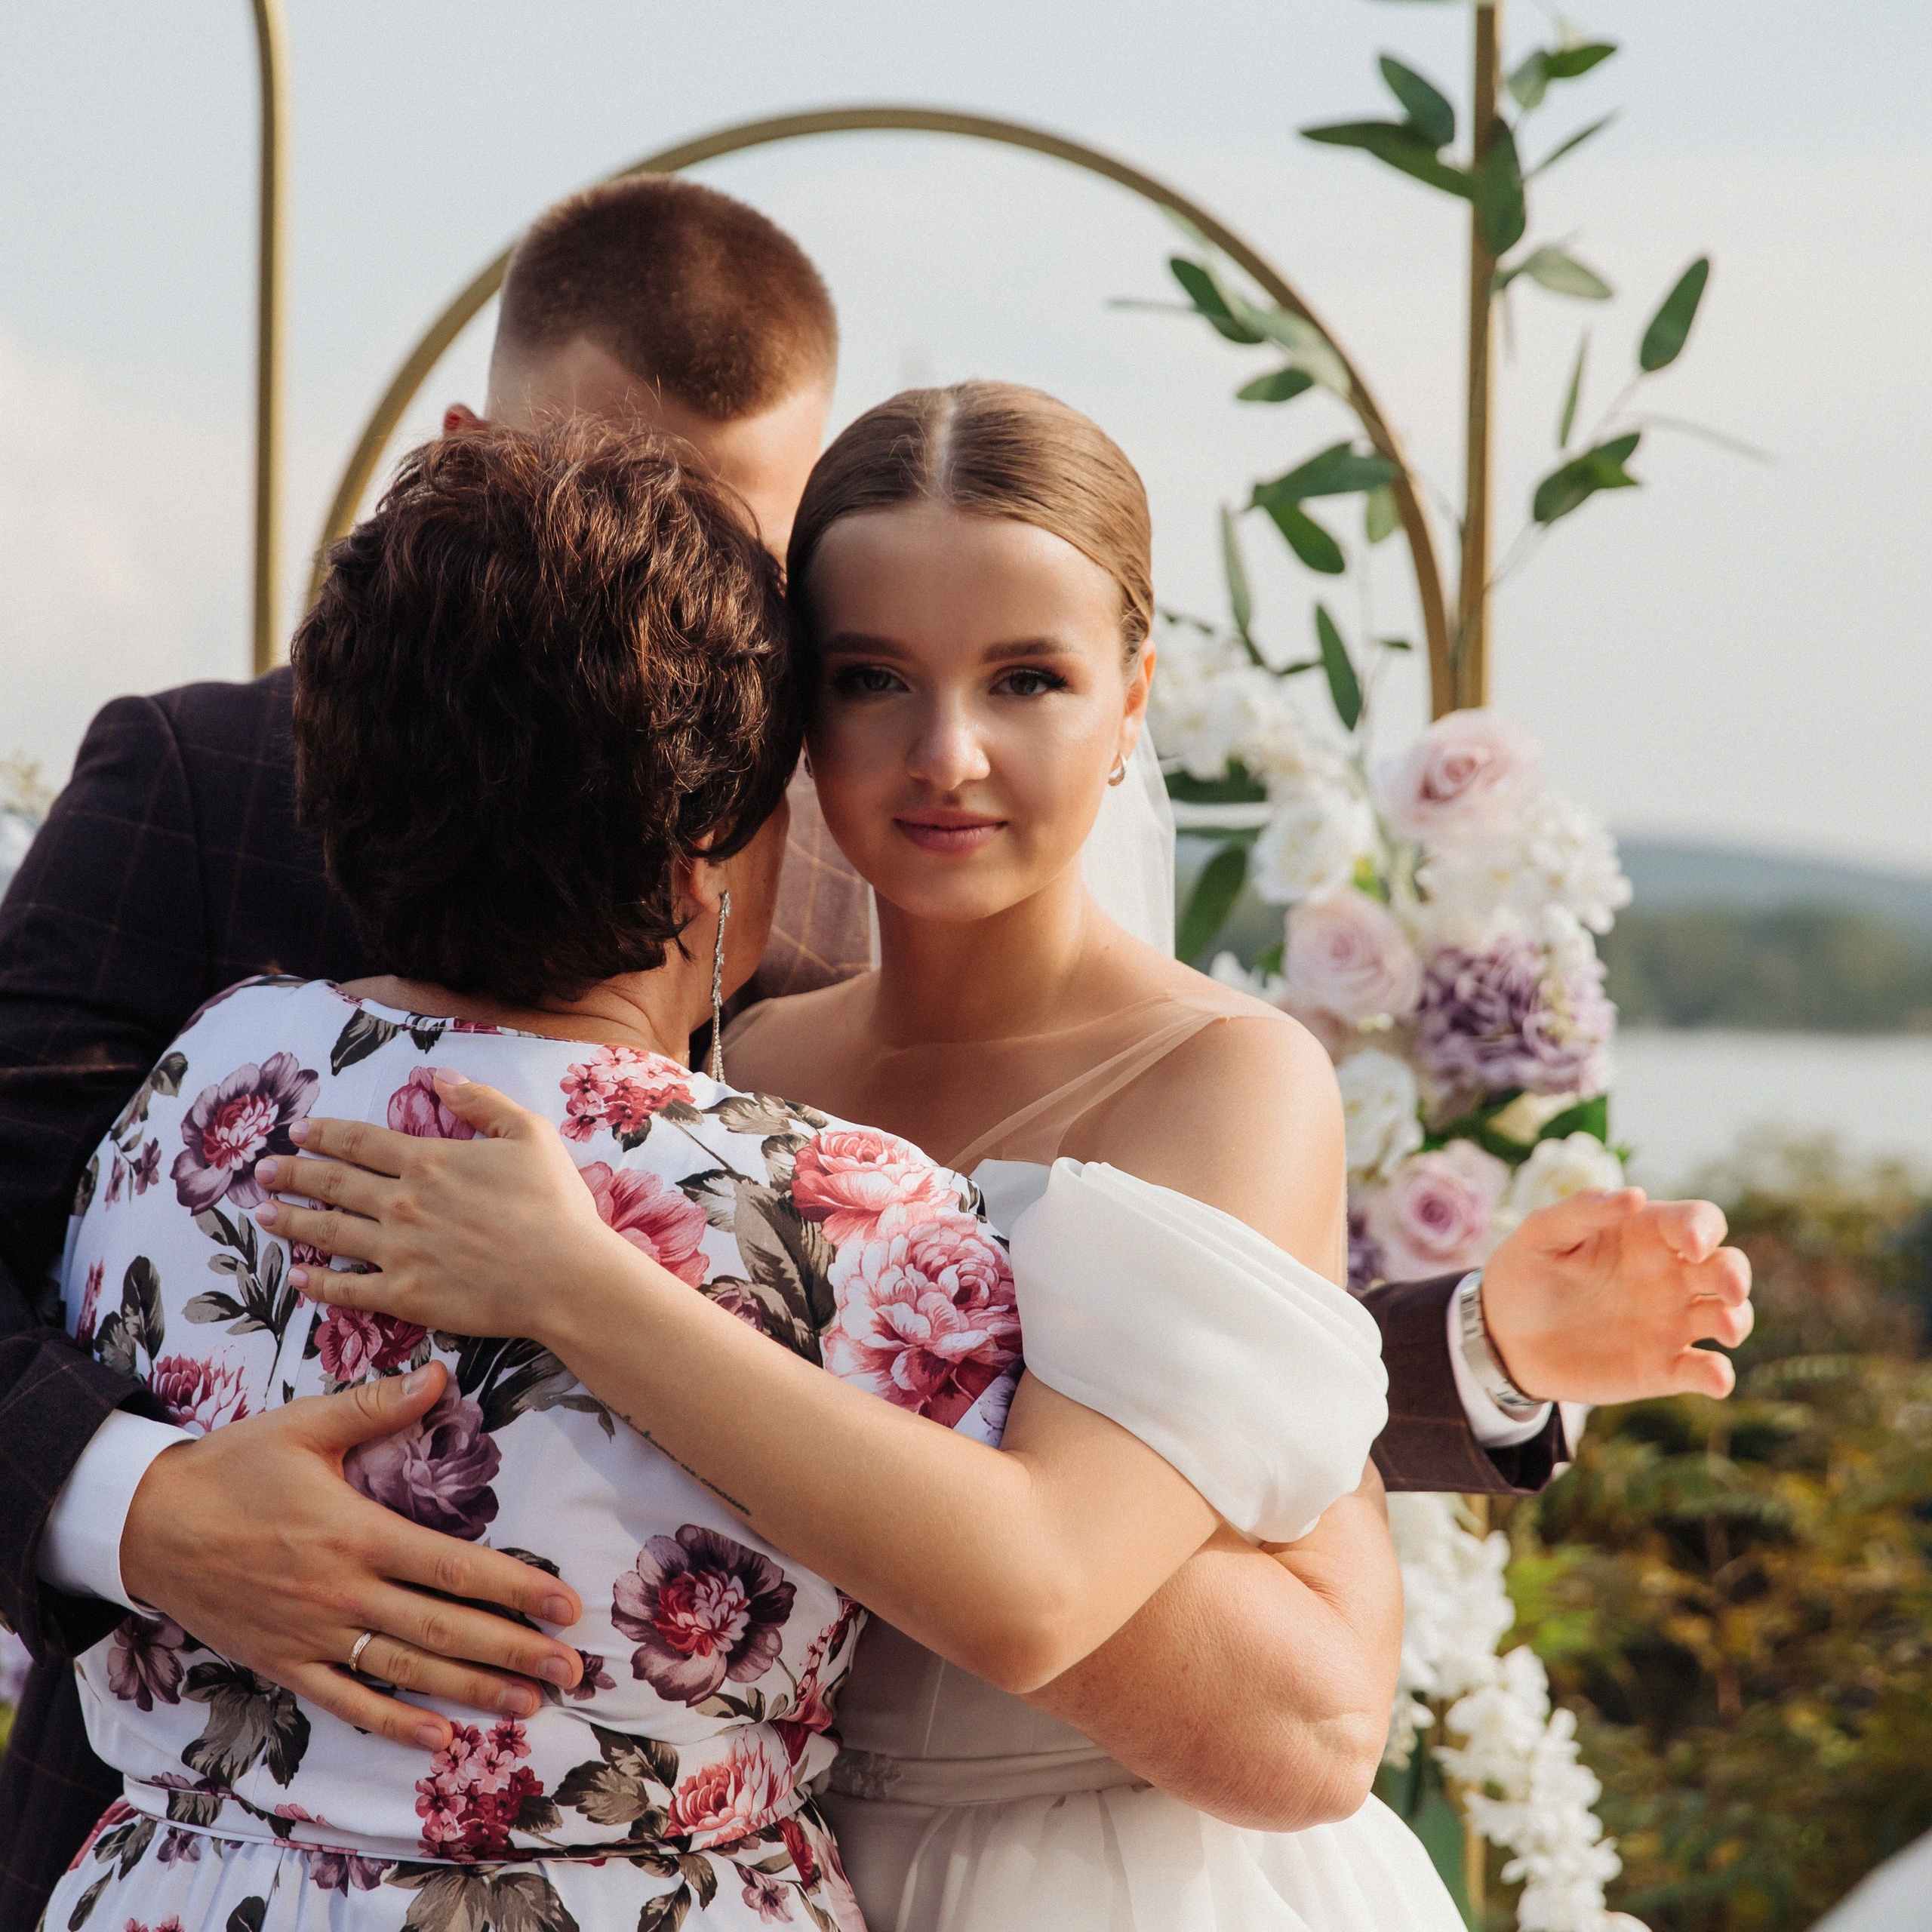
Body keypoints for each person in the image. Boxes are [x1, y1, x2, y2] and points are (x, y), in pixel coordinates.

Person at [0, 176, 1746, 1922]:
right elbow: (903, 1331)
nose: (941, 752)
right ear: (476, 448)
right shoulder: (207, 786)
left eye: (731, 567)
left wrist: (1466, 1355)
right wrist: (131, 1506)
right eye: (862, 676)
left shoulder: (817, 884)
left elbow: (1063, 1385)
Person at [39, 419, 1423, 1932]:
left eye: (1025, 675)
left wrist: (577, 1281)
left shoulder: (218, 1067)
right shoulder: (765, 1111)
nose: (943, 750)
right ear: (759, 758)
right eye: (867, 677)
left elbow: (1257, 1671)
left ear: (1130, 693)